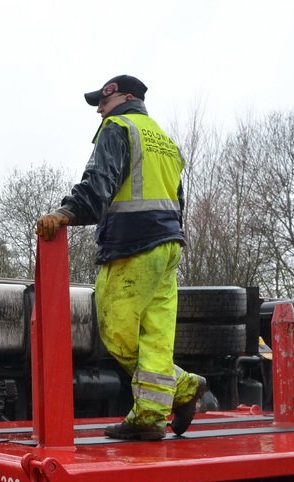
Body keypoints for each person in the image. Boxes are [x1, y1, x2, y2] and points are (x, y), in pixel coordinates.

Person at [35, 74, 207, 440]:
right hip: (169, 246)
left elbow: (100, 183)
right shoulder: (164, 140)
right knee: (156, 337)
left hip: (132, 247)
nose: (99, 109)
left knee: (117, 333)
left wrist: (65, 213)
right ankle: (149, 415)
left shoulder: (118, 128)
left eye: (104, 100)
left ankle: (184, 386)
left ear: (126, 98)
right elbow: (178, 200)